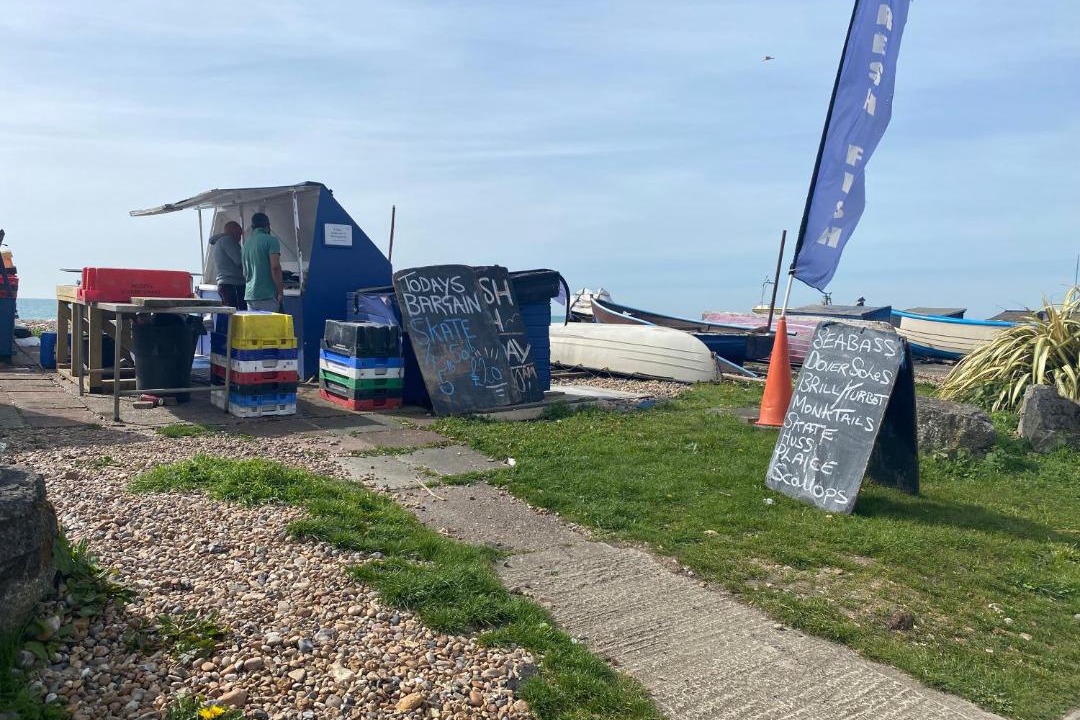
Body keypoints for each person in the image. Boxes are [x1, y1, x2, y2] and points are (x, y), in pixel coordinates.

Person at [242, 212, 284, 312]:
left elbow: (244, 273)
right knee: (270, 327)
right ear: (268, 226)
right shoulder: (271, 240)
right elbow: (275, 267)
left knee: (255, 327)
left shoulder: (246, 245)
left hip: (250, 295)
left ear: (252, 227)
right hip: (267, 295)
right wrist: (280, 292)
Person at [208, 221, 246, 310]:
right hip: (232, 284)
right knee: (238, 313)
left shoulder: (219, 242)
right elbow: (239, 261)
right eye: (238, 233)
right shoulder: (228, 240)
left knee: (230, 314)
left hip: (224, 283)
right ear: (232, 231)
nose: (239, 237)